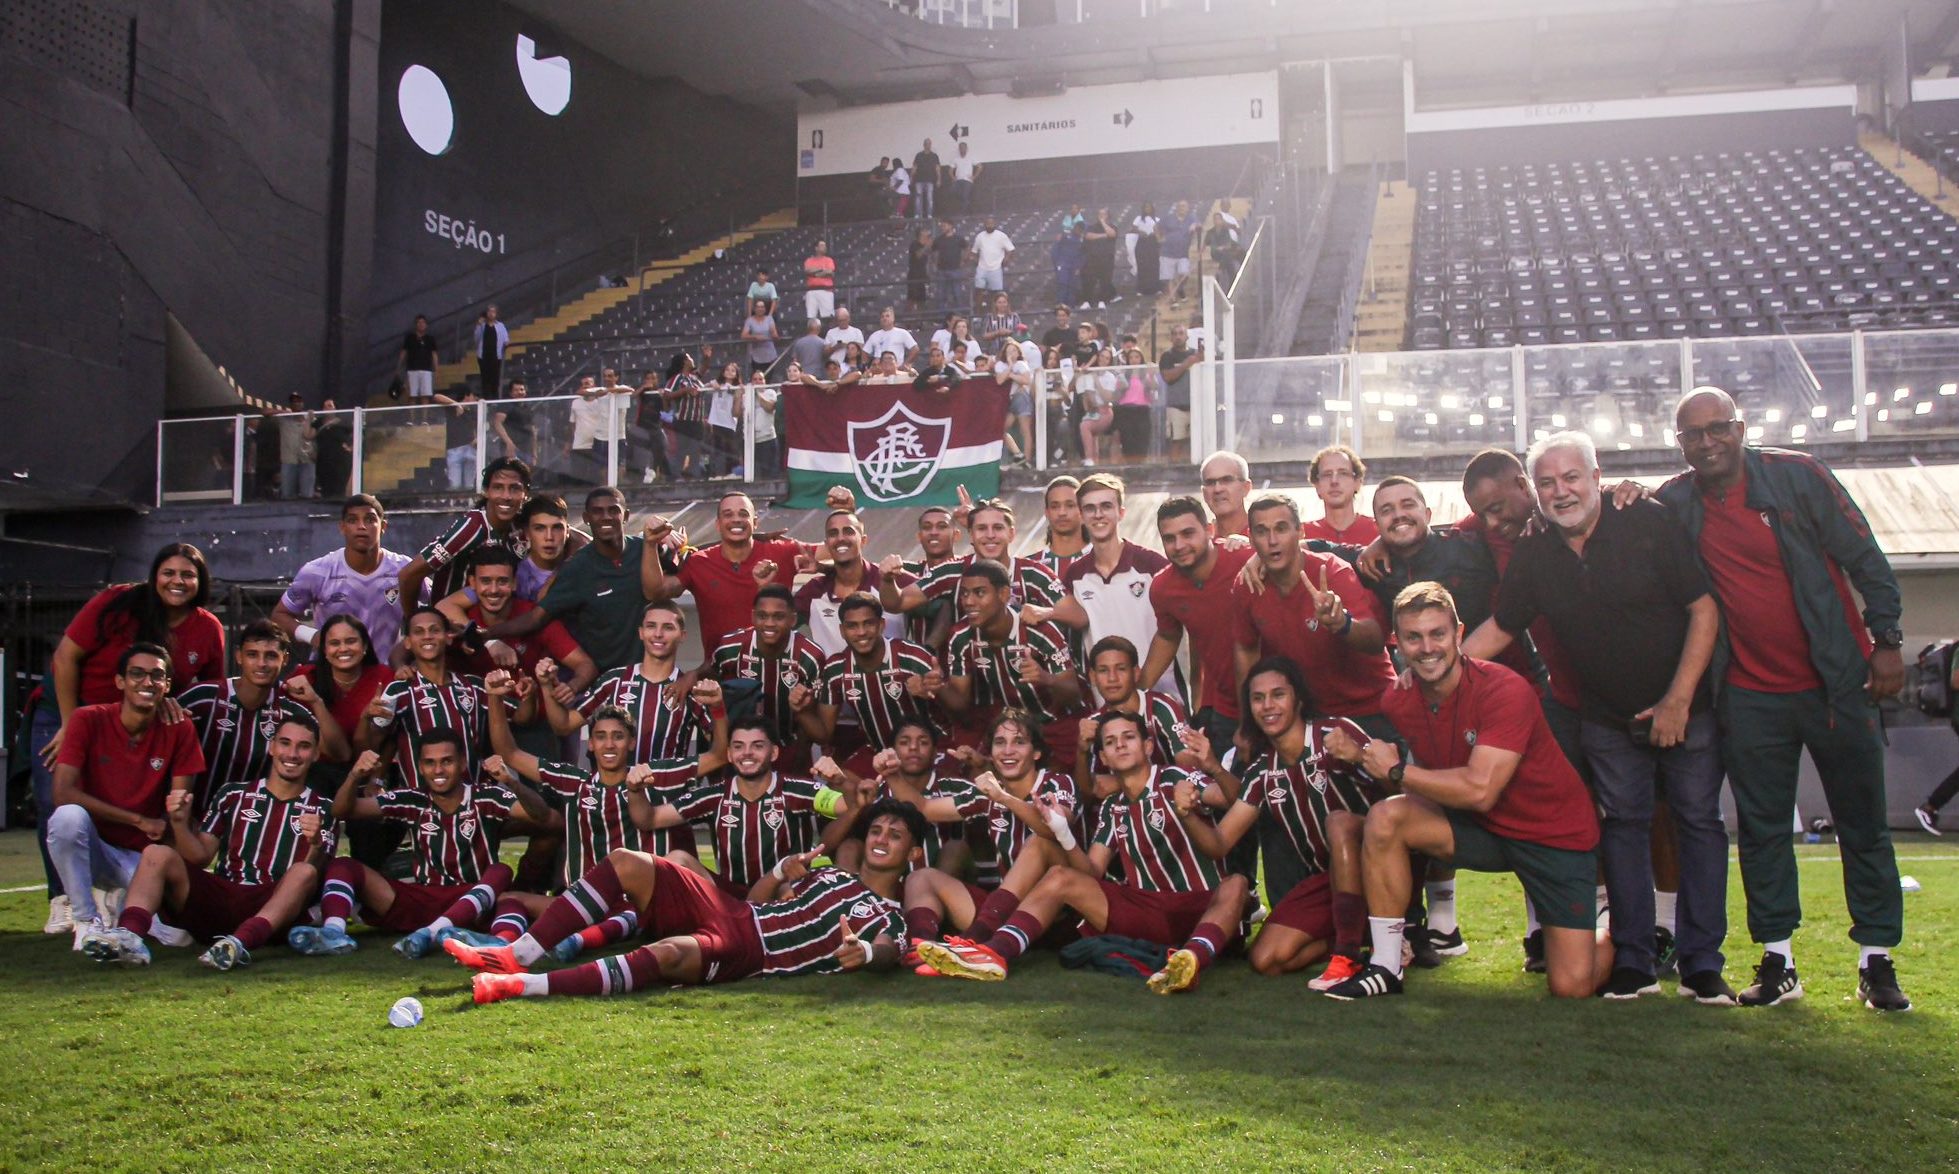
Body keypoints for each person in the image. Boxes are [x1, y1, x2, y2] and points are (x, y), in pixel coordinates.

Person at [1657, 386, 1910, 1011]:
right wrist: (1620, 495)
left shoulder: (1798, 478)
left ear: (1741, 429)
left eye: (1719, 428)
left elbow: (1864, 556)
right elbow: (1620, 527)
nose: (1708, 442)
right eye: (1694, 434)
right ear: (1681, 444)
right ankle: (1778, 960)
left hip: (1835, 686)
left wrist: (1887, 640)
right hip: (1748, 695)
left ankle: (1877, 962)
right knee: (1764, 832)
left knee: (1864, 826)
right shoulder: (1677, 500)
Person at [1461, 432, 1729, 1003]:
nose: (1562, 492)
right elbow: (1502, 627)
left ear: (1597, 475)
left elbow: (1703, 610)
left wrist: (1678, 700)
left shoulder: (1648, 520)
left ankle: (1702, 963)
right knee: (1623, 831)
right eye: (1549, 483)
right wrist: (1435, 667)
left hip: (1687, 709)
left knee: (1698, 827)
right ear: (1535, 490)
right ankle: (1634, 960)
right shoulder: (1536, 550)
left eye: (1571, 478)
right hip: (1606, 719)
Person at [1320, 582, 1611, 1001]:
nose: (1427, 648)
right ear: (1396, 644)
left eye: (1437, 634)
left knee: (1571, 985)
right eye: (1413, 637)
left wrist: (1396, 770)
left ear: (1459, 634)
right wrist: (1363, 756)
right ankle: (1385, 965)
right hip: (1481, 830)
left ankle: (1620, 933)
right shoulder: (1398, 700)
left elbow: (1479, 790)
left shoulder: (1503, 689)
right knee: (1386, 816)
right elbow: (1423, 781)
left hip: (1551, 836)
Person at [444, 798, 921, 1003]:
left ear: (912, 853)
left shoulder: (890, 916)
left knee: (667, 954)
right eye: (876, 829)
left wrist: (865, 953)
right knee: (627, 861)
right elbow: (757, 899)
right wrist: (779, 872)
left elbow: (888, 951)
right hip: (736, 912)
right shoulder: (831, 874)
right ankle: (517, 955)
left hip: (752, 952)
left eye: (894, 834)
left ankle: (520, 986)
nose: (881, 838)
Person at [917, 710, 1246, 994]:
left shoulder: (1174, 777)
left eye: (1128, 737)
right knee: (1061, 876)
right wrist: (1064, 835)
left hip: (1198, 904)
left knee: (1237, 883)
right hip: (1146, 909)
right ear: (1102, 757)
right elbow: (1092, 872)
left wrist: (1214, 767)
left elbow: (1233, 799)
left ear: (1147, 746)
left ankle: (1190, 959)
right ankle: (993, 953)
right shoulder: (1112, 807)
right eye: (1110, 741)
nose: (1119, 744)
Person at [34, 544, 224, 935]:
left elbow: (208, 688)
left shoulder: (206, 628)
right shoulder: (118, 603)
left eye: (188, 575)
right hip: (75, 712)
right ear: (154, 575)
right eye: (168, 572)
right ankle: (66, 899)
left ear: (201, 582)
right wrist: (70, 723)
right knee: (57, 803)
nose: (178, 581)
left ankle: (129, 889)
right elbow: (66, 658)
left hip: (143, 722)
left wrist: (171, 702)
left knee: (143, 799)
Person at [81, 714, 336, 971]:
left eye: (303, 746)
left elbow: (312, 878)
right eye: (285, 743)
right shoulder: (233, 794)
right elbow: (200, 856)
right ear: (271, 747)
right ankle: (129, 937)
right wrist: (179, 823)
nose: (292, 753)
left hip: (271, 904)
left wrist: (314, 843)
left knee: (304, 871)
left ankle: (239, 944)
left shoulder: (324, 809)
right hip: (223, 896)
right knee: (156, 853)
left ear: (315, 754)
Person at [1178, 657, 1376, 988]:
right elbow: (1220, 844)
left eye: (1278, 694)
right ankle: (1360, 936)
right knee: (1265, 960)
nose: (1267, 706)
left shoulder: (1334, 733)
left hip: (1376, 866)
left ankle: (1348, 956)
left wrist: (1357, 755)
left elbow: (1397, 788)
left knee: (1339, 823)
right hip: (1326, 881)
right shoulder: (1261, 772)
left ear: (1298, 698)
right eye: (1258, 698)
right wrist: (1186, 813)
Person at [290, 735, 551, 956]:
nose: (438, 770)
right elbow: (342, 810)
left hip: (473, 900)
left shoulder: (486, 796)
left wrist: (512, 781)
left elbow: (541, 814)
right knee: (343, 866)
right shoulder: (412, 799)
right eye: (430, 763)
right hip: (422, 897)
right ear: (420, 766)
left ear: (462, 763)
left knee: (501, 874)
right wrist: (354, 775)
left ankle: (444, 935)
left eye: (446, 761)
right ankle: (333, 934)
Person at [47, 643, 207, 945]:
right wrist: (138, 820)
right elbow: (62, 792)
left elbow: (179, 803)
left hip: (142, 856)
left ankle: (120, 906)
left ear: (167, 685)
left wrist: (176, 816)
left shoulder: (179, 728)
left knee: (178, 939)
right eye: (137, 674)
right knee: (67, 818)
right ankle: (85, 921)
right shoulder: (87, 719)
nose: (147, 682)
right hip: (94, 846)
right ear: (120, 681)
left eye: (156, 676)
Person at [900, 711, 1078, 957]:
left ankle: (975, 938)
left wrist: (1005, 798)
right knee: (920, 878)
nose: (1008, 751)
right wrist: (890, 774)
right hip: (1004, 912)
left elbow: (1054, 826)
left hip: (1058, 911)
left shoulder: (1056, 783)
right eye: (1000, 742)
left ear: (1036, 752)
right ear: (991, 752)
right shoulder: (990, 793)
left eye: (1019, 742)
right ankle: (921, 947)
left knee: (1039, 842)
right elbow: (925, 808)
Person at [481, 487, 666, 672]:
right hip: (601, 680)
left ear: (625, 516)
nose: (606, 517)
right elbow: (536, 618)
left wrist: (673, 542)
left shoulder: (646, 549)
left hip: (647, 675)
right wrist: (487, 634)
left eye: (613, 510)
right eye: (597, 511)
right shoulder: (576, 567)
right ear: (586, 518)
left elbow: (678, 574)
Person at [927, 559, 1085, 768]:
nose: (969, 601)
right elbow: (961, 706)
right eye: (964, 594)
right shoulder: (961, 637)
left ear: (1003, 594)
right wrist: (939, 688)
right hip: (1007, 728)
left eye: (979, 593)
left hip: (1054, 723)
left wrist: (1046, 678)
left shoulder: (1041, 632)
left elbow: (1073, 694)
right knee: (965, 763)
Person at [179, 620, 347, 810]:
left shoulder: (288, 710)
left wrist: (316, 701)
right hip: (192, 815)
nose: (261, 663)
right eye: (252, 655)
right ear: (238, 656)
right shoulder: (203, 697)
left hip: (248, 820)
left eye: (271, 656)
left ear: (284, 659)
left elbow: (340, 753)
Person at [1044, 474, 1177, 701]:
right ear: (1081, 515)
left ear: (1121, 512)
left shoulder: (1152, 566)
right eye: (1090, 508)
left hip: (1161, 699)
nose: (1098, 514)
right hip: (1106, 707)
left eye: (1106, 506)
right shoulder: (1075, 576)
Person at [644, 491, 820, 660]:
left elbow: (837, 552)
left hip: (774, 673)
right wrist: (651, 544)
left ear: (755, 522)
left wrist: (846, 509)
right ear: (718, 524)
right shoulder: (699, 562)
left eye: (743, 514)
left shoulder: (782, 551)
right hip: (719, 677)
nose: (736, 519)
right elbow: (656, 593)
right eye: (728, 514)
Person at [801, 593, 942, 775]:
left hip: (928, 752)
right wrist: (802, 711)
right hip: (879, 753)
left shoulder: (912, 657)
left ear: (881, 625)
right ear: (842, 631)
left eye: (868, 623)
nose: (861, 632)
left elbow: (956, 709)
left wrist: (938, 689)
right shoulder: (836, 670)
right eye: (852, 626)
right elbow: (824, 734)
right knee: (844, 782)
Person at [357, 606, 493, 792]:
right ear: (407, 642)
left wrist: (530, 693)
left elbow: (522, 717)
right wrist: (366, 719)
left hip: (474, 799)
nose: (427, 636)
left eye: (434, 630)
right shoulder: (399, 690)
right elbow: (374, 745)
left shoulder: (475, 686)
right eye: (419, 632)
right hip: (417, 803)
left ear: (448, 637)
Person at [397, 456, 532, 615]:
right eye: (498, 487)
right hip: (453, 627)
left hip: (493, 623)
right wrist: (412, 620)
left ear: (526, 493)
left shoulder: (522, 526)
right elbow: (408, 574)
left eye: (514, 489)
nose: (506, 496)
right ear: (486, 492)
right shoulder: (473, 527)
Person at [713, 584, 828, 759]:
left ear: (793, 620)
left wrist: (799, 756)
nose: (769, 623)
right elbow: (710, 680)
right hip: (742, 751)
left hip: (789, 748)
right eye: (762, 616)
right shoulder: (730, 647)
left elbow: (816, 721)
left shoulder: (810, 657)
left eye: (779, 617)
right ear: (753, 617)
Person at [793, 511, 903, 658]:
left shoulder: (891, 578)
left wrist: (929, 652)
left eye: (848, 531)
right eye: (833, 533)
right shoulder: (813, 591)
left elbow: (936, 597)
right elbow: (776, 621)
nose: (840, 538)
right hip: (834, 680)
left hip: (891, 679)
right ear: (827, 545)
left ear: (863, 540)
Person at [1300, 445, 1379, 544]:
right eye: (1327, 474)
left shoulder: (1378, 531)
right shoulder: (1302, 535)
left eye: (1343, 473)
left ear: (1357, 483)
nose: (1334, 481)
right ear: (1317, 486)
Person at [662, 351, 710, 480]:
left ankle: (694, 477)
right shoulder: (677, 378)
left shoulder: (694, 377)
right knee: (681, 451)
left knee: (696, 450)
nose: (692, 360)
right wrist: (685, 390)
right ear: (684, 361)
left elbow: (703, 369)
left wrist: (706, 357)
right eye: (690, 357)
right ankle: (674, 477)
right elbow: (667, 394)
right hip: (684, 421)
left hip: (697, 420)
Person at [1158, 325, 1203, 463]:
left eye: (1181, 333)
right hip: (1176, 406)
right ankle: (1173, 471)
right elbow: (1168, 377)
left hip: (1197, 405)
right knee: (1176, 441)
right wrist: (1186, 364)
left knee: (1199, 441)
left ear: (1187, 336)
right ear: (1171, 337)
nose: (1178, 336)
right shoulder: (1167, 356)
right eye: (1175, 334)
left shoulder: (1196, 354)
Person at [1029, 475, 1086, 577]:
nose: (1062, 512)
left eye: (1070, 505)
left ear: (1082, 510)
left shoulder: (1101, 560)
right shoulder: (1029, 567)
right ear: (1047, 512)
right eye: (1055, 506)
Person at [436, 387, 481, 491]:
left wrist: (476, 438)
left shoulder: (474, 411)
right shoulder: (452, 407)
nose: (475, 399)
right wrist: (456, 404)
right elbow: (437, 397)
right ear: (467, 395)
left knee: (469, 485)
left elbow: (476, 427)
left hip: (471, 448)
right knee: (455, 485)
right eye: (474, 396)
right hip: (454, 449)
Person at [274, 394, 318, 500]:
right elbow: (264, 412)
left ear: (303, 403)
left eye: (299, 401)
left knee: (307, 495)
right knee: (287, 494)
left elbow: (315, 438)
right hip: (289, 461)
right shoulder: (284, 420)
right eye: (294, 402)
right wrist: (282, 411)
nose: (297, 403)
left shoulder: (312, 420)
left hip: (307, 461)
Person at [969, 215, 1015, 314]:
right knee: (979, 290)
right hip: (982, 268)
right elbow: (973, 252)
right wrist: (977, 261)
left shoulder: (1001, 236)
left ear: (995, 224)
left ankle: (996, 313)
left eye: (991, 223)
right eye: (987, 224)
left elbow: (1011, 249)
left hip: (996, 268)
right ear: (984, 225)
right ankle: (978, 313)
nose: (989, 225)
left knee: (997, 293)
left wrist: (1006, 259)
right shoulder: (980, 236)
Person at [1161, 200, 1200, 305]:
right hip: (1167, 251)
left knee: (1184, 273)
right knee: (1169, 277)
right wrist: (1159, 238)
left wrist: (1195, 226)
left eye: (1184, 206)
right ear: (1177, 207)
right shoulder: (1169, 218)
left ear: (1188, 208)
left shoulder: (1191, 217)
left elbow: (1199, 225)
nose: (1182, 208)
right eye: (1180, 206)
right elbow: (1157, 227)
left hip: (1183, 252)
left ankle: (1180, 289)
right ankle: (1173, 299)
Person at [313, 399, 353, 498]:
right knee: (326, 487)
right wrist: (309, 418)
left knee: (340, 487)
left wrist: (351, 446)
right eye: (325, 406)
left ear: (335, 408)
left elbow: (356, 433)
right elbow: (308, 435)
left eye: (330, 406)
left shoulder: (343, 422)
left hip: (340, 461)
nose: (327, 408)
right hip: (323, 460)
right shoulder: (318, 423)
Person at [1081, 207, 1119, 309]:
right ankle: (1087, 301)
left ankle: (1102, 301)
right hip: (1093, 258)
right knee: (1089, 280)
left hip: (1107, 258)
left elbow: (1112, 234)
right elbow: (1088, 236)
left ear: (1108, 215)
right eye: (1099, 214)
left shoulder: (1112, 226)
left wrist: (1103, 223)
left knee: (1105, 280)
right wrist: (1103, 235)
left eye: (1103, 214)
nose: (1101, 216)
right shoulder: (1092, 227)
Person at [399, 313, 440, 400]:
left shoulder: (430, 339)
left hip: (426, 370)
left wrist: (436, 369)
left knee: (425, 395)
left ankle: (424, 414)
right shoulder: (410, 338)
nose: (421, 324)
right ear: (416, 324)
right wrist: (399, 366)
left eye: (423, 322)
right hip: (412, 369)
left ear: (426, 325)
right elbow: (404, 352)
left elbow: (434, 354)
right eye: (419, 322)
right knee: (412, 395)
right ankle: (412, 414)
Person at [473, 304, 509, 398]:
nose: (491, 314)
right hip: (483, 355)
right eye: (489, 311)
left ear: (496, 314)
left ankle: (495, 398)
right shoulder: (482, 326)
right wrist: (479, 325)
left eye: (493, 312)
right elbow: (476, 338)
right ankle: (486, 398)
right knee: (485, 378)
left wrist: (505, 343)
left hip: (496, 355)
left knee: (495, 378)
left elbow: (506, 339)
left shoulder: (500, 325)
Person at [803, 240, 837, 321]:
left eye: (825, 245)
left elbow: (829, 272)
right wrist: (822, 270)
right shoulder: (809, 260)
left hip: (826, 290)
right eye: (822, 245)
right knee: (811, 317)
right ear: (816, 248)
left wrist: (816, 274)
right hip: (812, 291)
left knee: (828, 317)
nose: (825, 247)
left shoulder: (829, 260)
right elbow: (808, 271)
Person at [787, 316, 829, 381]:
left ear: (808, 328)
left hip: (803, 376)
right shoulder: (823, 343)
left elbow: (794, 361)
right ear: (819, 328)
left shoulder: (798, 342)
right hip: (819, 376)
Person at [1133, 203, 1161, 297]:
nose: (1147, 209)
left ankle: (1155, 289)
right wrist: (1140, 232)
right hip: (1142, 243)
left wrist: (1155, 234)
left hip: (1152, 243)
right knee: (1142, 266)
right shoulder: (1138, 219)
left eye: (1149, 207)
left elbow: (1160, 232)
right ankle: (1141, 289)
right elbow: (1133, 229)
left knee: (1154, 265)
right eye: (1146, 207)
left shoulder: (1157, 220)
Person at [912, 138, 940, 219]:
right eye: (927, 143)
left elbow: (937, 168)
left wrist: (939, 179)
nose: (928, 145)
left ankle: (929, 215)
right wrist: (911, 177)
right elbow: (915, 167)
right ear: (924, 145)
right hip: (919, 179)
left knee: (929, 198)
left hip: (930, 180)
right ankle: (918, 214)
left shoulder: (934, 156)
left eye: (929, 143)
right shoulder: (918, 155)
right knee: (918, 198)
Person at [948, 140, 979, 213]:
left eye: (964, 148)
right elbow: (950, 170)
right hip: (958, 180)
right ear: (959, 149)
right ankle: (966, 206)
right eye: (961, 148)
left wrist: (974, 177)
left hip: (967, 180)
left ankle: (963, 213)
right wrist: (953, 177)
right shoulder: (956, 159)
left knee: (965, 196)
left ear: (966, 149)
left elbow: (980, 167)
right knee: (952, 191)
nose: (962, 149)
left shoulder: (971, 158)